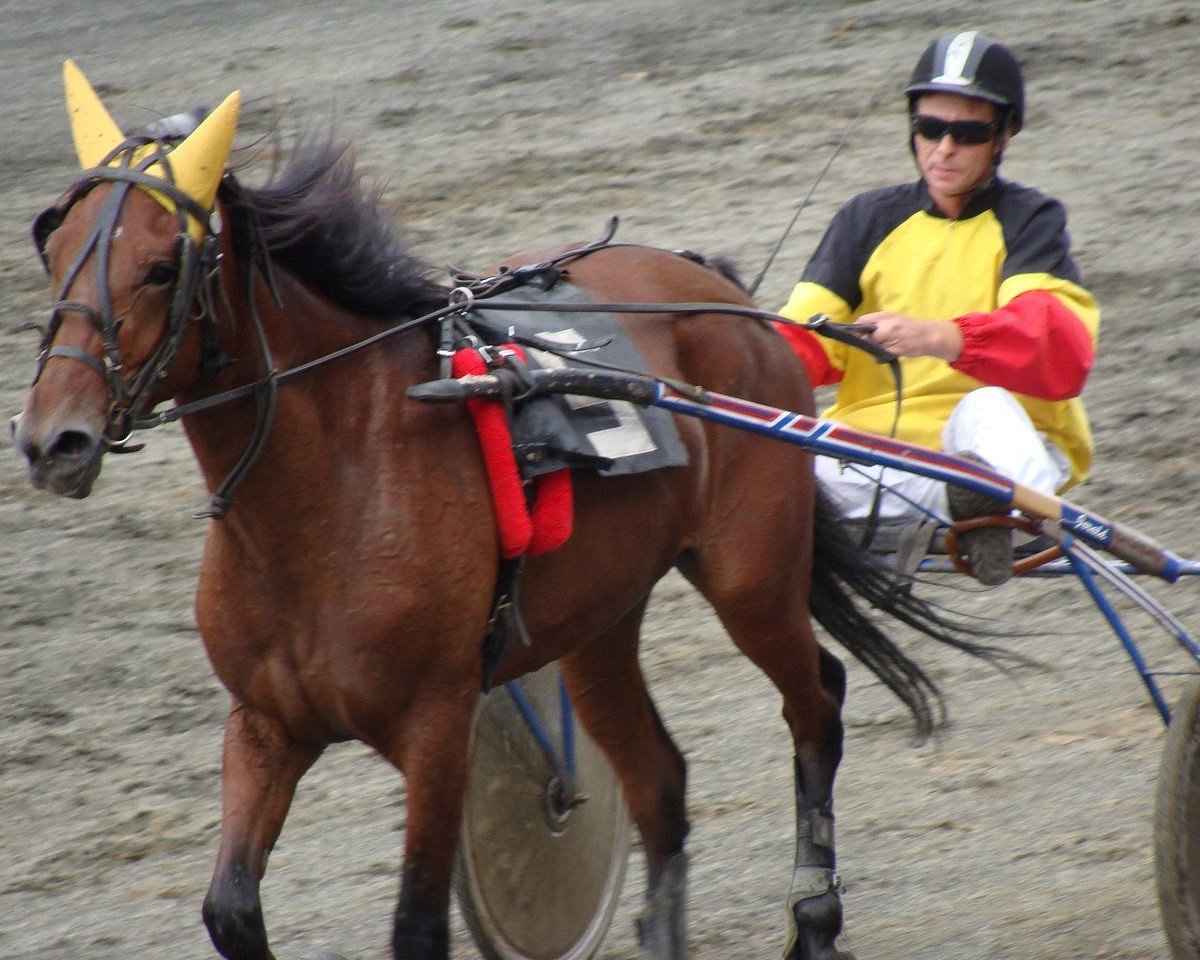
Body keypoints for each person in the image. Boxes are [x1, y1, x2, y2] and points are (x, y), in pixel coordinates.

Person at [773, 30, 1100, 585]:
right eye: (929, 128)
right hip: (884, 454)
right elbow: (801, 339)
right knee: (770, 466)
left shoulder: (1030, 219)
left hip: (999, 448)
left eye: (967, 133)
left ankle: (978, 505)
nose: (943, 149)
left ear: (1004, 134)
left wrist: (936, 337)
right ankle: (960, 508)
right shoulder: (866, 218)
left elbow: (1058, 350)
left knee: (990, 409)